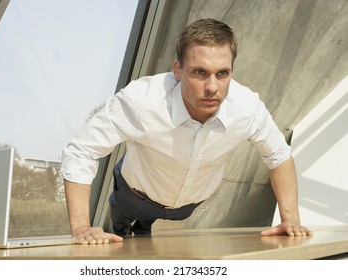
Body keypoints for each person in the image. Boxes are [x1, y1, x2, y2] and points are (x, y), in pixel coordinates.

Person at [61, 18, 313, 245]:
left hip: (188, 205)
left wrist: (290, 219)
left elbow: (279, 155)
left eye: (222, 73)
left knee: (147, 227)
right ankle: (128, 225)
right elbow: (81, 151)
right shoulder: (141, 100)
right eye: (200, 72)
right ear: (177, 69)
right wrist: (82, 227)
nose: (212, 87)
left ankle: (145, 225)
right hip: (134, 196)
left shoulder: (247, 107)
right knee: (123, 232)